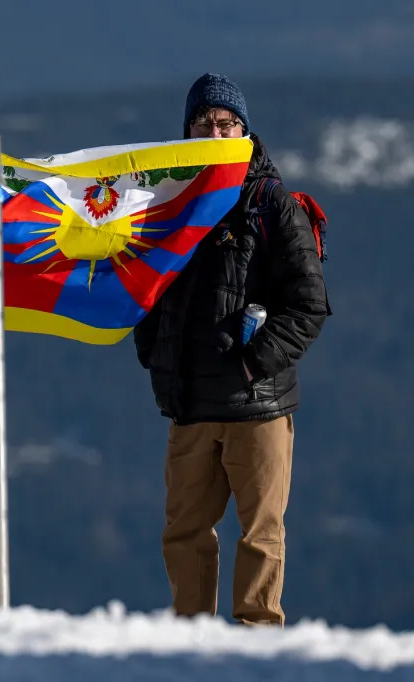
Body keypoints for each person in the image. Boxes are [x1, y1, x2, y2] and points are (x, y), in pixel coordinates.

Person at [133, 73, 330, 626]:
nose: (215, 131)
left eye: (227, 123)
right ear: (188, 130)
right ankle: (191, 645)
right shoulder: (169, 202)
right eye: (204, 123)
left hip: (258, 405)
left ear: (245, 131)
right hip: (190, 402)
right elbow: (145, 288)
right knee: (184, 532)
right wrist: (155, 352)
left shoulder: (271, 204)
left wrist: (250, 363)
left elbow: (309, 306)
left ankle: (256, 646)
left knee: (261, 532)